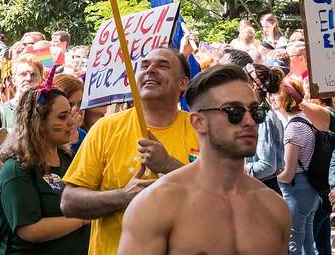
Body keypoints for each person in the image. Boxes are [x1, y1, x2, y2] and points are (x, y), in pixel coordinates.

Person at [117, 65, 289, 254]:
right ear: (198, 122)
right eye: (234, 111)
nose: (249, 121)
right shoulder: (157, 205)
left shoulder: (274, 207)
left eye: (256, 111)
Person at [60, 46, 199, 255]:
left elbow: (223, 198)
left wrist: (170, 166)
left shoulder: (201, 129)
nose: (150, 69)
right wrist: (124, 196)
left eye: (162, 65)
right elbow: (70, 202)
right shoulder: (106, 128)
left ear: (183, 83)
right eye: (144, 65)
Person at [0, 75, 89, 254]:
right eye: (62, 116)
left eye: (69, 114)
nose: (71, 121)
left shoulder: (67, 158)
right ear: (38, 123)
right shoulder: (15, 170)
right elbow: (29, 230)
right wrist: (83, 219)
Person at [0, 53, 44, 191]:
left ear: (41, 78)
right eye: (23, 74)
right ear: (13, 79)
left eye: (33, 74)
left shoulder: (49, 113)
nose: (28, 78)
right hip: (7, 191)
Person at [274, 77, 321, 255]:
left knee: (294, 246)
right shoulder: (307, 119)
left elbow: (288, 173)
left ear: (284, 99)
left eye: (276, 96)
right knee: (309, 244)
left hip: (296, 191)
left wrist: (270, 177)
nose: (273, 99)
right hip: (311, 190)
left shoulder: (293, 128)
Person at [245, 64, 285, 194]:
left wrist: (235, 169)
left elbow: (267, 166)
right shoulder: (259, 113)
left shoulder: (263, 118)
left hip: (263, 190)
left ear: (254, 86)